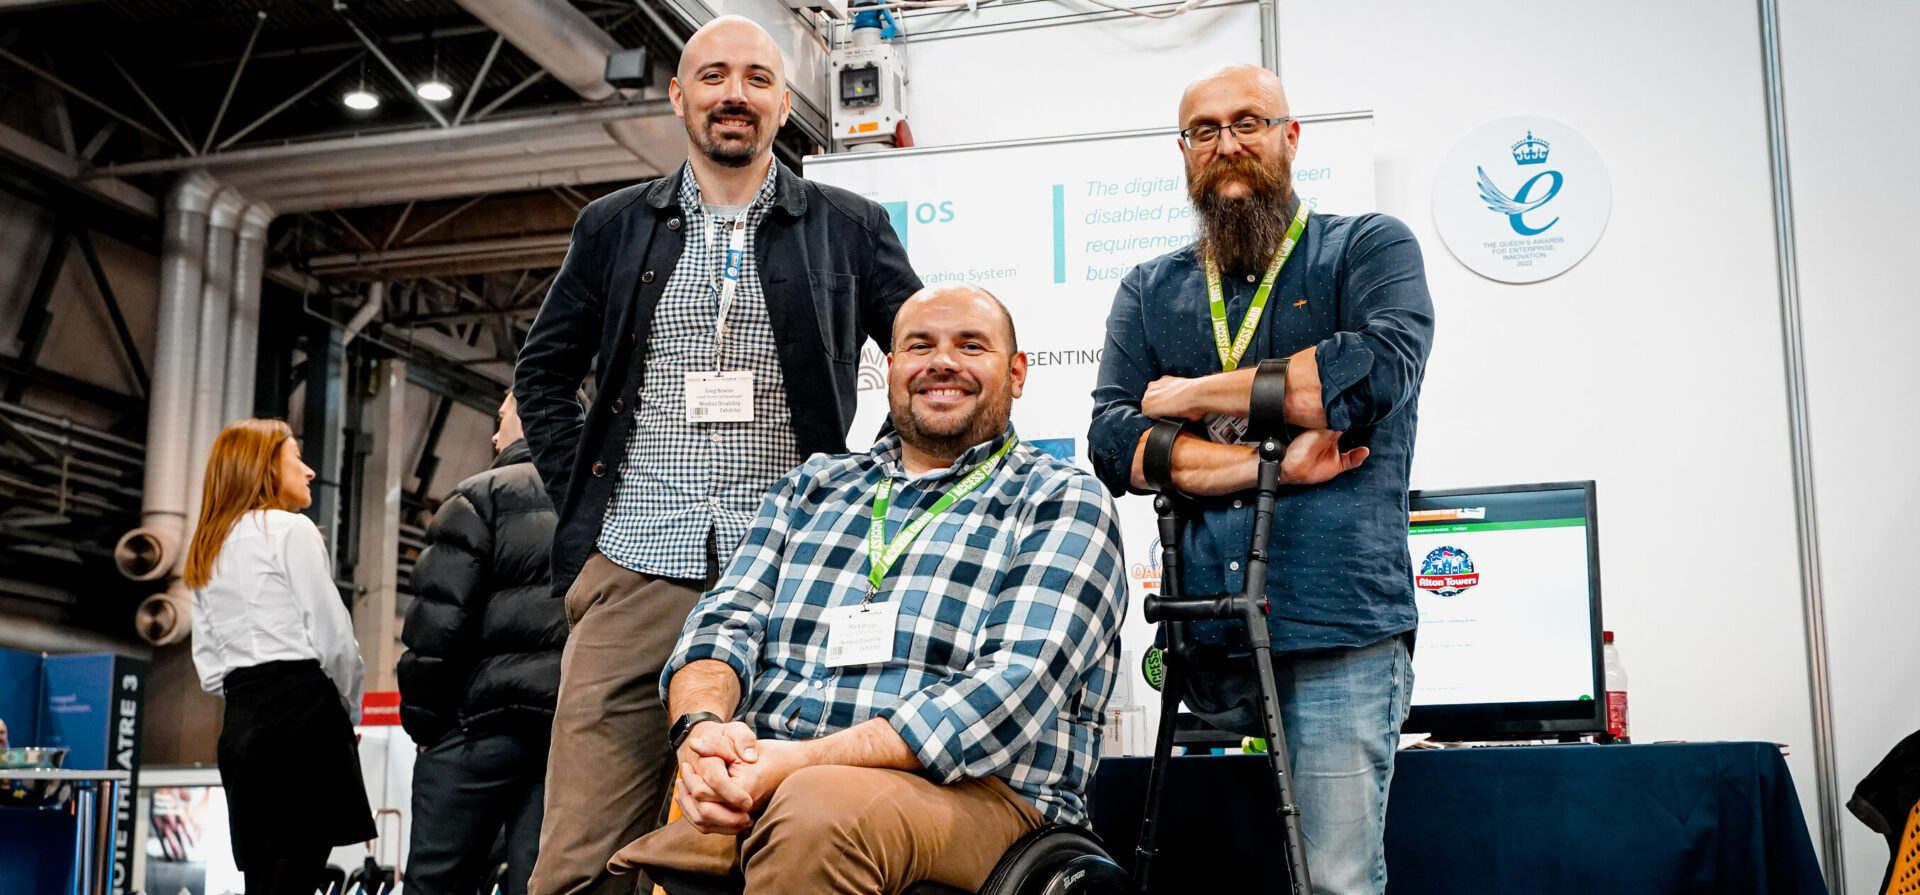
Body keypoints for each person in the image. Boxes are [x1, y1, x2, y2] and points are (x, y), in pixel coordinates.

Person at [512, 14, 922, 894]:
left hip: (792, 579)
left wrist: (862, 495)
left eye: (756, 79)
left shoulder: (850, 226)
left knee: (766, 839)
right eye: (713, 76)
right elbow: (542, 374)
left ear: (784, 104)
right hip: (634, 567)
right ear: (678, 97)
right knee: (578, 857)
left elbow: (926, 357)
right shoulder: (615, 226)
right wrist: (589, 502)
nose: (734, 94)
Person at [609, 284, 1128, 895]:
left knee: (816, 809)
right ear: (890, 369)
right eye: (919, 345)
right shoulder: (812, 486)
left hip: (984, 799)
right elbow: (721, 626)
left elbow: (1010, 689)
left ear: (1016, 374)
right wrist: (701, 735)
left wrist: (796, 764)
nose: (942, 362)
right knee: (635, 848)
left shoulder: (1061, 500)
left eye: (970, 346)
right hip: (772, 782)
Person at [1087, 65, 1434, 895]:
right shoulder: (1150, 287)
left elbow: (1367, 377)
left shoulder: (1368, 248)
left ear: (1291, 137)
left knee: (1335, 883)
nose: (1226, 143)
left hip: (1335, 630)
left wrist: (1192, 395)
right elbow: (1113, 441)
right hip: (1202, 639)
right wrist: (1271, 458)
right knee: (1200, 880)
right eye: (1203, 130)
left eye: (1247, 121)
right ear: (1184, 153)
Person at [184, 419, 376, 895]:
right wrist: (348, 706)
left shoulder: (205, 550)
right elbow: (334, 637)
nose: (310, 471)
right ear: (265, 466)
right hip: (304, 717)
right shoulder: (291, 531)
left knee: (263, 881)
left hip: (242, 723)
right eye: (296, 457)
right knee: (299, 876)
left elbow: (209, 671)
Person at [397, 393, 564, 895]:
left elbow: (436, 627)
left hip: (478, 732)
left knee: (439, 881)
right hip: (565, 737)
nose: (494, 435)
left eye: (502, 417)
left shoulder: (479, 497)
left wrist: (425, 725)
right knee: (545, 882)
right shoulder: (603, 505)